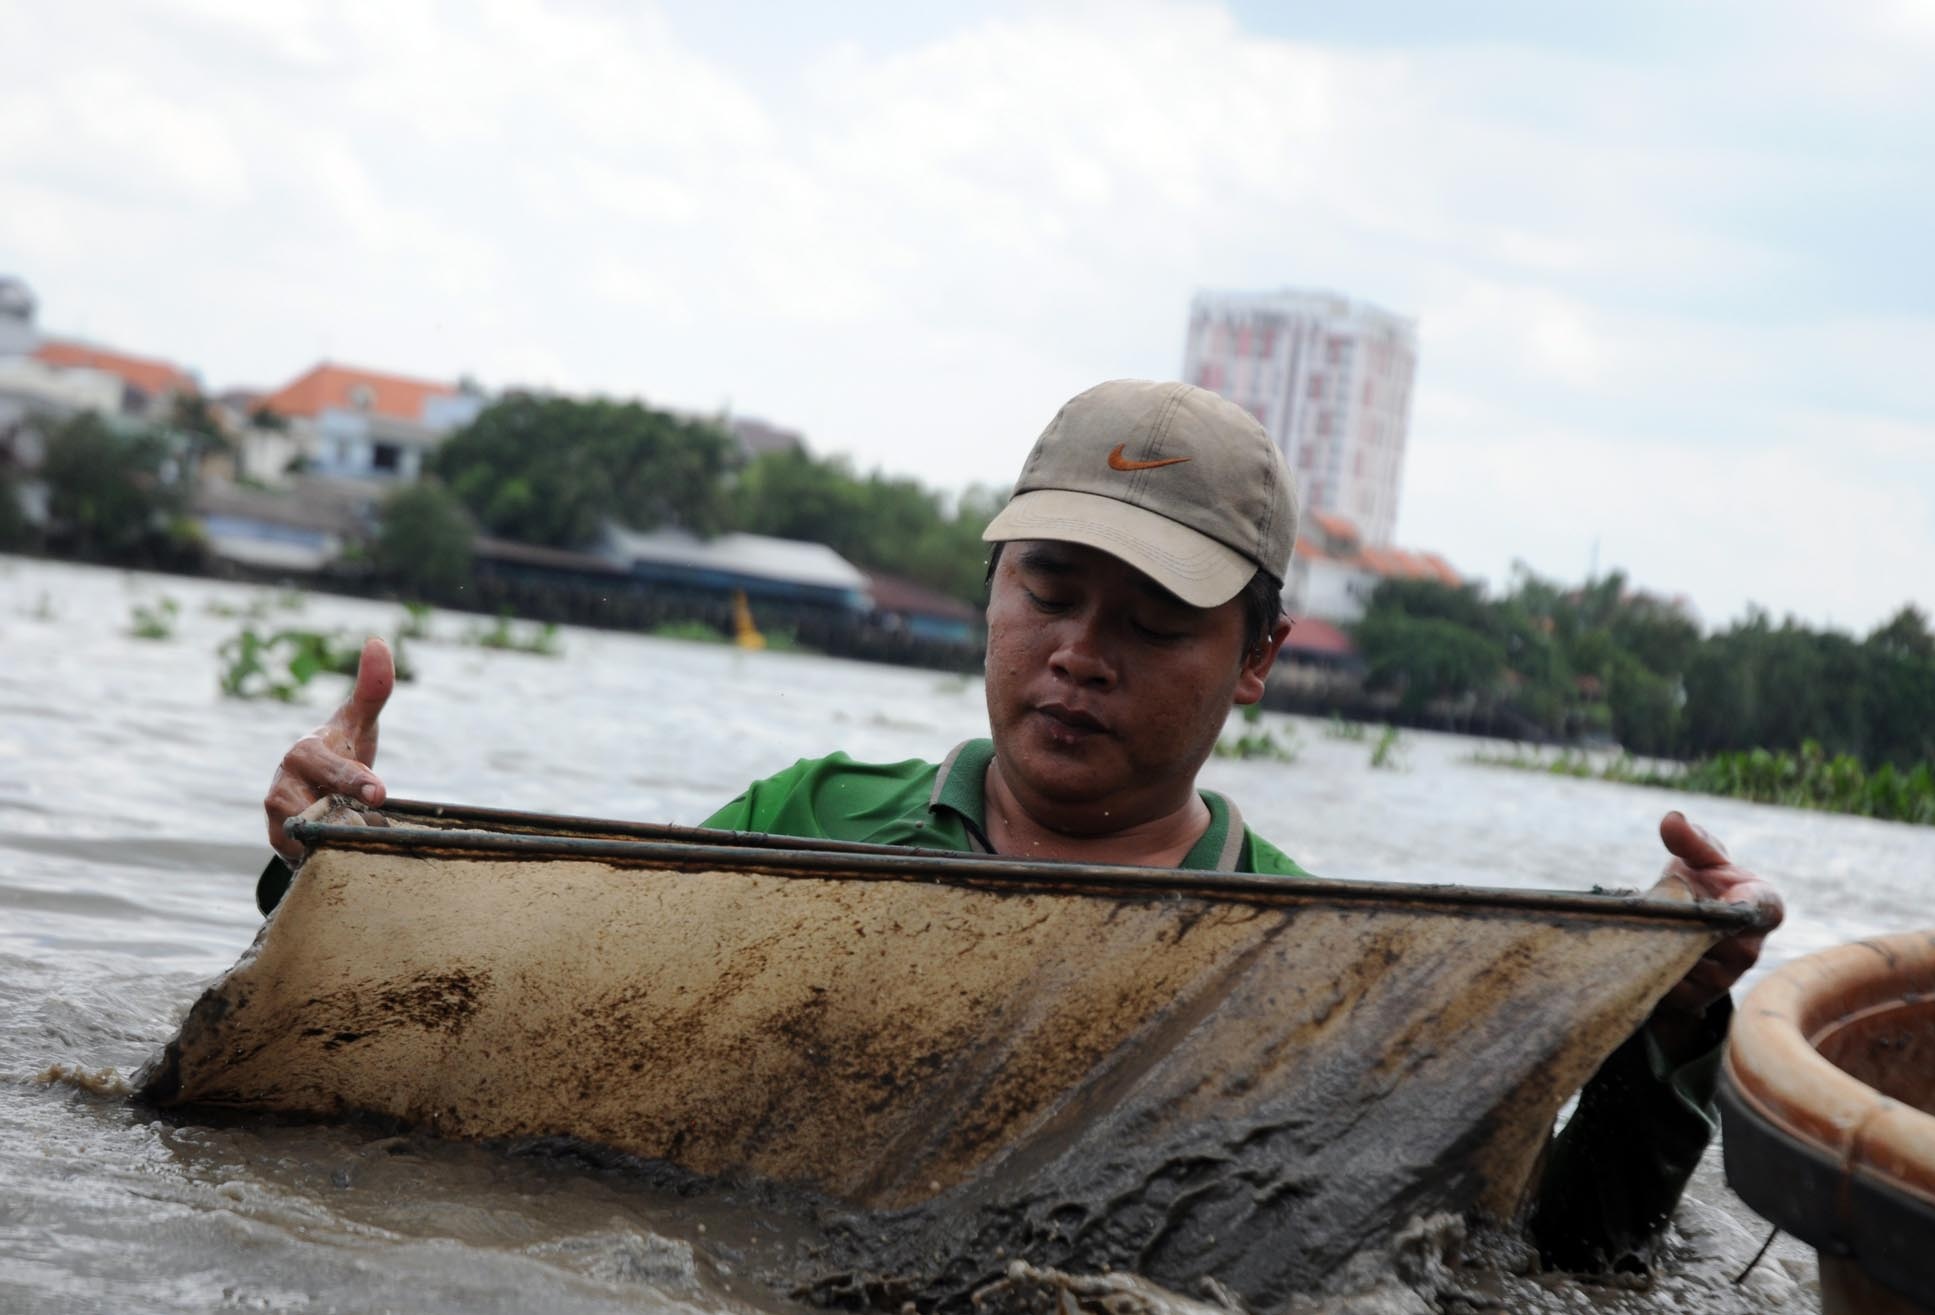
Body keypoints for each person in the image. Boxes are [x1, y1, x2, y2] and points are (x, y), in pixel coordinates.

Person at [261, 378, 1783, 1271]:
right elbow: (483, 1038)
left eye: (1154, 623)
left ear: (1257, 658)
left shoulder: (1314, 963)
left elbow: (1553, 1264)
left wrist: (1667, 1021)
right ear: (991, 594)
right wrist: (327, 873)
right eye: (1048, 592)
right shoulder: (804, 827)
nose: (1079, 655)